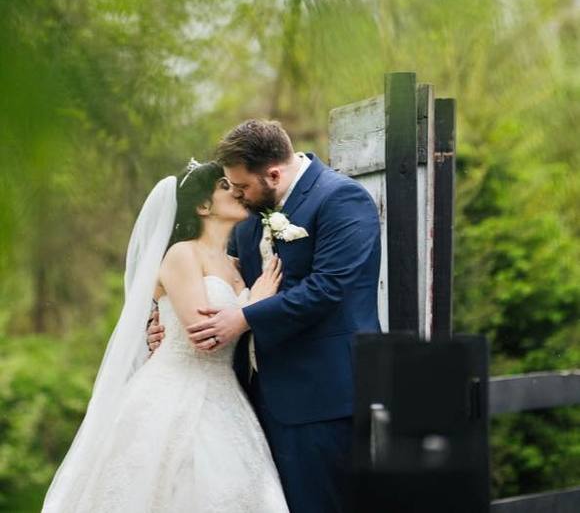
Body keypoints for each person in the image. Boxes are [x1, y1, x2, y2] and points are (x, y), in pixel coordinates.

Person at [148, 119, 382, 513]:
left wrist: (244, 318)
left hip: (322, 396)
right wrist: (162, 324)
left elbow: (327, 287)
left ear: (273, 174)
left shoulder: (341, 199)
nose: (237, 194)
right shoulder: (250, 220)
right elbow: (208, 281)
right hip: (252, 400)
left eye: (241, 186)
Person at [42, 160, 290, 513]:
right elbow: (203, 336)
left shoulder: (236, 264)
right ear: (202, 206)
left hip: (226, 395)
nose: (236, 190)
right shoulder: (181, 254)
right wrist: (256, 304)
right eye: (224, 185)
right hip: (174, 392)